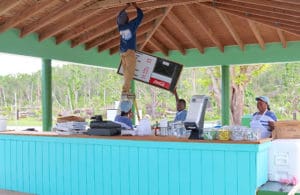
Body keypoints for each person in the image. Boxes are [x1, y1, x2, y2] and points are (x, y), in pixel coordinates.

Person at [117, 2, 144, 98]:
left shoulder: (120, 27)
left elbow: (119, 15)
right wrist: (134, 6)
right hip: (128, 52)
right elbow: (141, 16)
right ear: (127, 19)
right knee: (129, 72)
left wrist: (126, 6)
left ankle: (125, 90)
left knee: (126, 72)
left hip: (123, 51)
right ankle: (125, 91)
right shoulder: (131, 26)